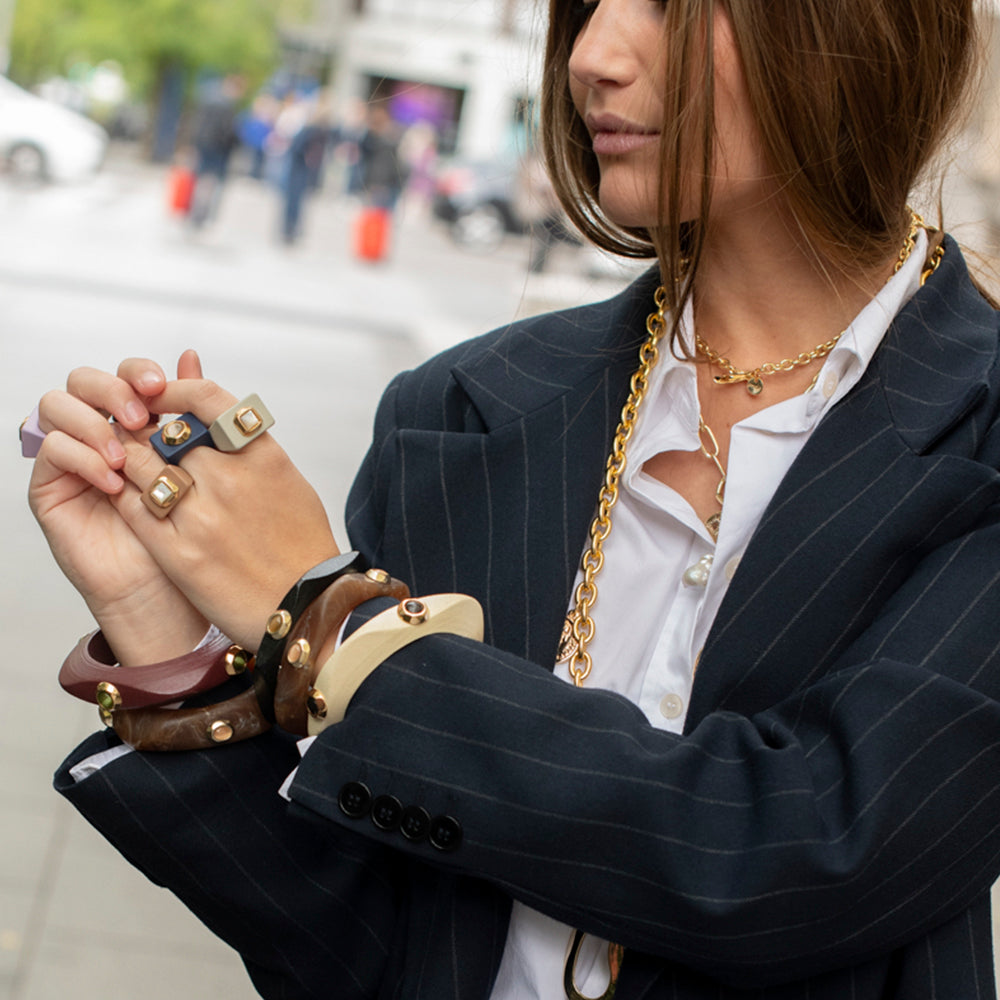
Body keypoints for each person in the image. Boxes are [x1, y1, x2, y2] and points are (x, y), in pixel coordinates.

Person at [23, 1, 1000, 998]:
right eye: (581, 6)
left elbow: (803, 851)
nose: (589, 57)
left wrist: (329, 613)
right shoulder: (459, 410)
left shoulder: (981, 432)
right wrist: (170, 647)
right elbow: (369, 948)